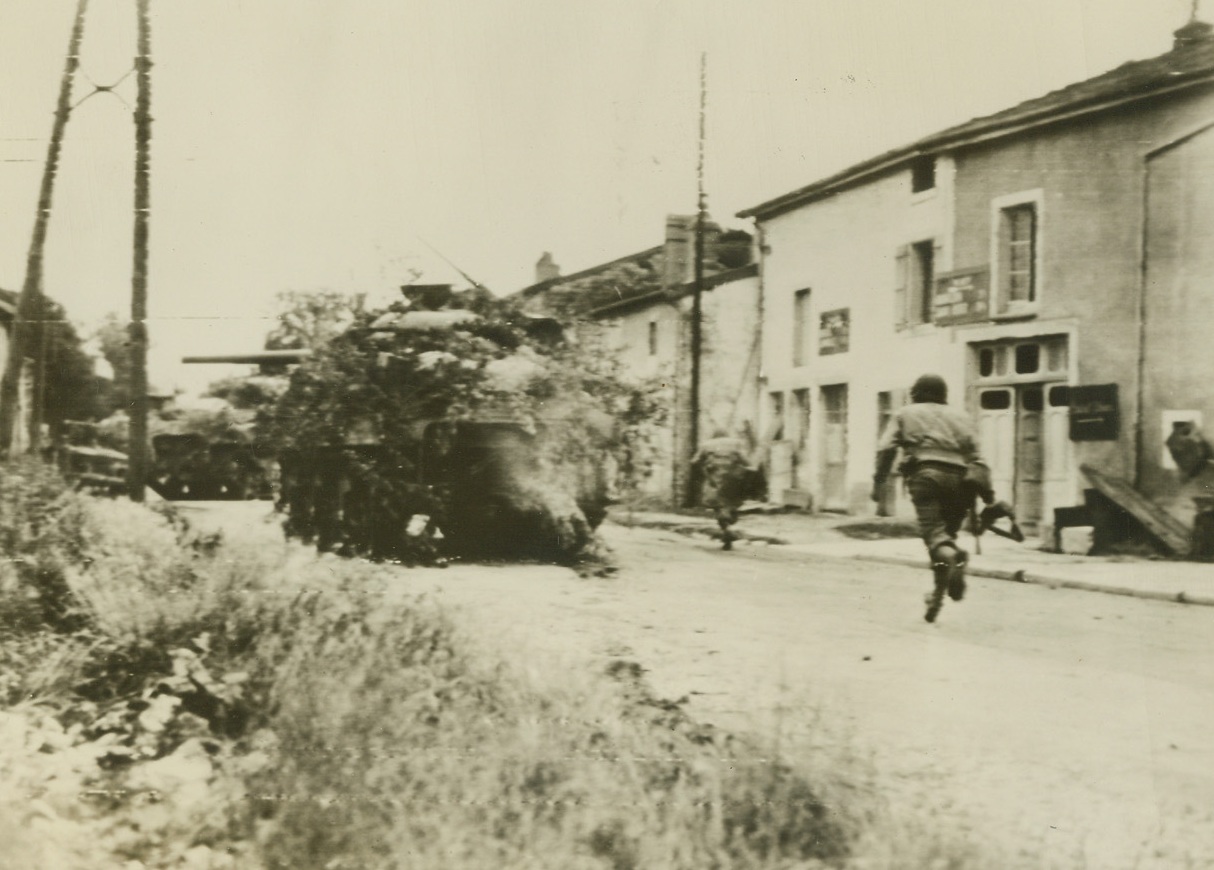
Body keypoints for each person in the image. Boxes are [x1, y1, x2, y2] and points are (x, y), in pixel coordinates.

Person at [872, 374, 993, 622]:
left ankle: (955, 558)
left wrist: (879, 482)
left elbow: (885, 449)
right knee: (945, 539)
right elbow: (978, 458)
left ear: (916, 393)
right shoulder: (962, 417)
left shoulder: (904, 413)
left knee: (935, 537)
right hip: (961, 481)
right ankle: (936, 597)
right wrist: (986, 493)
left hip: (926, 477)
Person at [692, 428, 753, 550]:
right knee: (731, 503)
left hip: (715, 479)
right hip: (733, 479)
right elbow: (746, 461)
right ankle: (730, 518)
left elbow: (694, 461)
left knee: (718, 505)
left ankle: (726, 528)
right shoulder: (736, 443)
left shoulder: (706, 445)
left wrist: (704, 470)